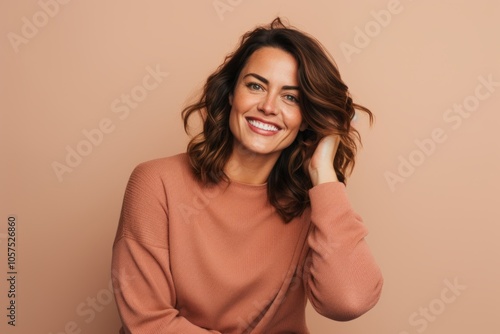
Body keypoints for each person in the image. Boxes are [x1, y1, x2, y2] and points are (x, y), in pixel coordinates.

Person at [111, 17, 383, 334]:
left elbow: (348, 301)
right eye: (255, 85)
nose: (268, 106)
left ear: (308, 119)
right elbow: (149, 322)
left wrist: (324, 174)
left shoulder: (314, 208)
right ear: (230, 94)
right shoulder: (157, 182)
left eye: (290, 97)